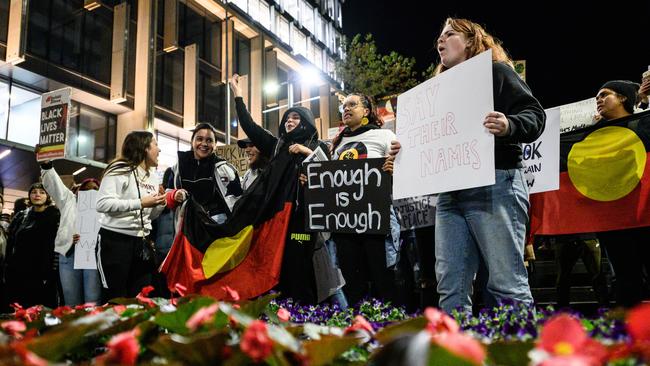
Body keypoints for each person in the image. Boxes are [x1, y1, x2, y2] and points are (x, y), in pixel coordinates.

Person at [432, 18, 545, 313]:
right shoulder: (436, 93)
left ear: (471, 41)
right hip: (450, 195)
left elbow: (534, 115)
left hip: (496, 183)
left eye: (450, 34)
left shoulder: (496, 72)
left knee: (506, 282)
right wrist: (404, 152)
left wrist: (509, 124)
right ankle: (455, 355)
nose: (440, 41)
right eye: (439, 37)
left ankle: (520, 352)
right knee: (450, 286)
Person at [229, 73, 329, 303]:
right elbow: (250, 127)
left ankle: (304, 313)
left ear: (306, 122)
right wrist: (238, 95)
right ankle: (283, 315)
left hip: (301, 221)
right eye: (286, 118)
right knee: (278, 267)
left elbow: (330, 176)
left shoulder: (318, 146)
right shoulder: (276, 146)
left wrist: (306, 153)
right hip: (276, 220)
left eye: (295, 117)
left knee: (300, 263)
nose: (289, 121)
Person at [329, 93, 400, 306]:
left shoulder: (384, 136)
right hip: (345, 225)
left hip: (375, 221)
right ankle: (358, 329)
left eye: (352, 105)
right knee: (354, 285)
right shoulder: (337, 144)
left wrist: (396, 169)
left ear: (366, 111)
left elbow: (403, 168)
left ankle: (387, 329)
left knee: (383, 280)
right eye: (343, 106)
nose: (346, 109)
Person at [593, 80, 650, 307]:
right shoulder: (591, 137)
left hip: (644, 215)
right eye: (596, 97)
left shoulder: (642, 125)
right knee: (626, 279)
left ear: (624, 98)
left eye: (604, 94)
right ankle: (628, 336)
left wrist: (646, 102)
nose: (598, 100)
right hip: (613, 219)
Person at [95, 131, 166, 302]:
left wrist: (160, 204)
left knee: (142, 296)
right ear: (144, 147)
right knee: (115, 297)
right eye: (155, 144)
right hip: (115, 242)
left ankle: (137, 329)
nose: (160, 149)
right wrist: (140, 202)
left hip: (142, 242)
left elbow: (150, 215)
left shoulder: (153, 177)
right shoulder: (120, 169)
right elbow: (102, 204)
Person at [40, 156, 102, 306]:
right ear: (79, 190)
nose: (91, 191)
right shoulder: (69, 200)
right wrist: (47, 166)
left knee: (92, 301)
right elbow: (55, 186)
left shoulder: (104, 207)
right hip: (69, 254)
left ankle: (92, 328)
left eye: (95, 189)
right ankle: (72, 328)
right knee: (71, 301)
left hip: (92, 255)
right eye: (87, 188)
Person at [166, 123, 242, 225]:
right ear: (192, 141)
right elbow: (167, 198)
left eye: (209, 140)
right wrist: (174, 195)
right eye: (199, 139)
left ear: (215, 144)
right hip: (187, 228)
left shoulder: (225, 169)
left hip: (217, 229)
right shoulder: (177, 168)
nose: (204, 144)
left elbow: (239, 201)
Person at [4, 183, 60, 308]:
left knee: (42, 310)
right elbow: (11, 240)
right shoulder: (21, 216)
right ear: (29, 196)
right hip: (19, 272)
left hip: (43, 273)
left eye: (42, 192)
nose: (37, 195)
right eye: (34, 192)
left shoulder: (56, 216)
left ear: (48, 196)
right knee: (20, 310)